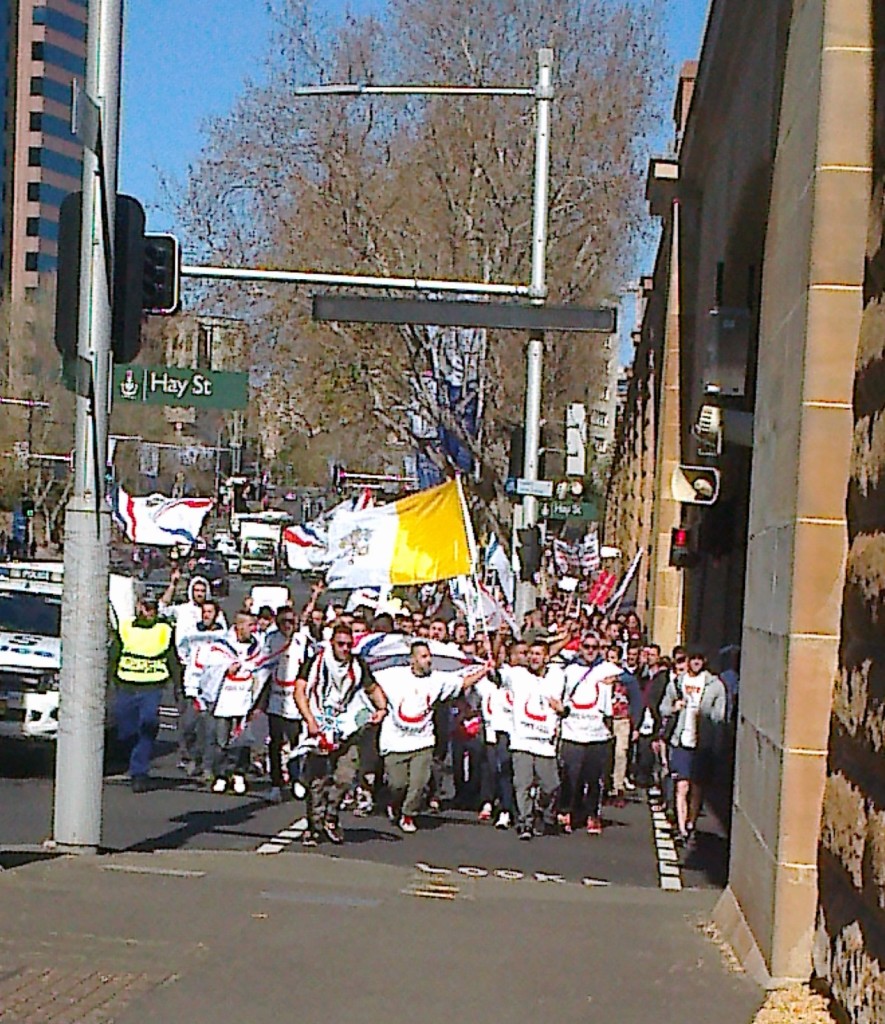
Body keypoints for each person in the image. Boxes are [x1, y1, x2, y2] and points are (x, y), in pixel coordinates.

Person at [377, 640, 492, 833]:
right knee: (398, 784)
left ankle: (408, 814)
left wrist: (484, 670)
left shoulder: (438, 680)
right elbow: (369, 685)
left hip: (423, 740)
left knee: (419, 782)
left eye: (429, 656)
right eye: (423, 656)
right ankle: (395, 805)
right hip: (394, 740)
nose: (428, 660)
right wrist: (379, 707)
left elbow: (463, 682)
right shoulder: (392, 676)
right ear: (412, 660)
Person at [295, 623, 388, 846]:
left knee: (345, 777)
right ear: (332, 644)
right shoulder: (316, 662)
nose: (345, 649)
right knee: (317, 781)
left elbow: (372, 688)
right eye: (341, 644)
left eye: (349, 645)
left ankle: (331, 816)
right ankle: (313, 826)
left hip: (346, 727)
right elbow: (299, 690)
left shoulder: (357, 666)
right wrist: (310, 720)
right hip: (319, 723)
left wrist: (382, 709)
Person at [111, 594, 179, 792]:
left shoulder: (164, 629)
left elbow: (171, 658)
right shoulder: (126, 627)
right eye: (146, 607)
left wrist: (178, 685)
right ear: (139, 606)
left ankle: (139, 772)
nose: (149, 612)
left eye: (152, 608)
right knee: (126, 730)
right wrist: (110, 679)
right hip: (126, 686)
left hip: (152, 686)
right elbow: (114, 654)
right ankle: (130, 757)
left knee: (148, 725)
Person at [659, 650, 727, 844]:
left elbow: (720, 715)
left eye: (699, 659)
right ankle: (682, 828)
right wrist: (674, 708)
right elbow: (663, 707)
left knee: (697, 787)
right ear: (687, 661)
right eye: (692, 659)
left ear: (704, 661)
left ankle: (691, 823)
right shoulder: (677, 683)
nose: (696, 662)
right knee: (682, 785)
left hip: (702, 743)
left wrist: (710, 723)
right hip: (681, 740)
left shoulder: (715, 685)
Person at [504, 638, 567, 840]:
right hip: (522, 740)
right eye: (530, 653)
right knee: (522, 784)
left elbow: (567, 705)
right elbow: (496, 669)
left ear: (547, 657)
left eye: (538, 654)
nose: (532, 657)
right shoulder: (517, 674)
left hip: (545, 744)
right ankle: (525, 822)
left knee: (551, 785)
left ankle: (539, 807)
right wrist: (497, 641)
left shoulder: (558, 676)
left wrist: (562, 710)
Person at [559, 659, 622, 835]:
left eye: (594, 647)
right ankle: (569, 812)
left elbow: (626, 682)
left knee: (594, 779)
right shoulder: (569, 670)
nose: (590, 650)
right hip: (572, 734)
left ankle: (593, 815)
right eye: (586, 646)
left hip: (598, 736)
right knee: (571, 777)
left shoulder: (605, 670)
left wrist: (614, 683)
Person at [259, 606, 312, 803]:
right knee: (275, 742)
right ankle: (276, 783)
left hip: (294, 698)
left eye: (291, 621)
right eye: (283, 622)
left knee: (297, 742)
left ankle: (297, 778)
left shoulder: (302, 640)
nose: (287, 625)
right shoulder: (271, 640)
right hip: (276, 698)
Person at [176, 597, 227, 777]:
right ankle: (191, 757)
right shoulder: (192, 632)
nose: (206, 615)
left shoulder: (223, 635)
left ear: (216, 615)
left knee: (210, 731)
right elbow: (182, 651)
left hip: (213, 690)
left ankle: (206, 766)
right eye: (204, 612)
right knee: (189, 727)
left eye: (210, 612)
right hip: (192, 687)